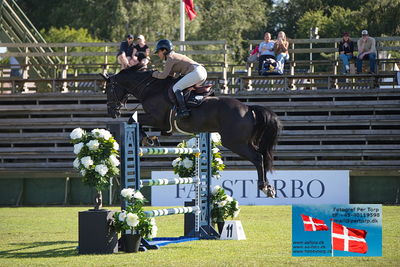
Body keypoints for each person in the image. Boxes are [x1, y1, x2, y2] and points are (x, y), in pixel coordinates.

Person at [152, 39, 207, 119]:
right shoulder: (173, 56)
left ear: (164, 50)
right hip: (200, 72)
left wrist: (153, 73)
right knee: (183, 88)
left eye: (158, 52)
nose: (158, 54)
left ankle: (184, 111)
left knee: (176, 88)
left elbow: (163, 75)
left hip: (196, 72)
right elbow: (171, 75)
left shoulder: (170, 58)